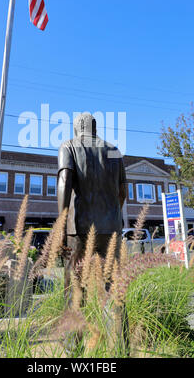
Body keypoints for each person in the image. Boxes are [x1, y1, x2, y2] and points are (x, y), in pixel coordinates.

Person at [57, 112, 128, 353]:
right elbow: (122, 192)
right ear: (95, 128)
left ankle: (72, 349)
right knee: (113, 288)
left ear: (77, 128)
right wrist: (113, 216)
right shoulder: (114, 151)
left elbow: (65, 182)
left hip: (81, 229)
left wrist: (61, 223)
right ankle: (119, 348)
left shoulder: (69, 146)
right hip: (111, 228)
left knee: (76, 288)